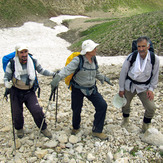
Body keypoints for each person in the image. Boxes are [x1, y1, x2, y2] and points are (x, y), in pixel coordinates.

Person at [51, 39, 113, 140]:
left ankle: (97, 131)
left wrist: (104, 78)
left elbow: (96, 72)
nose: (96, 49)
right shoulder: (77, 60)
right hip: (78, 89)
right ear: (88, 51)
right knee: (76, 109)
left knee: (102, 105)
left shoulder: (94, 59)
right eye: (94, 48)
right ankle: (76, 128)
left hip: (92, 88)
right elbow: (66, 70)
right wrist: (57, 78)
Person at [4, 43, 55, 139]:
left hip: (29, 91)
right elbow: (6, 77)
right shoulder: (12, 63)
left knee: (36, 110)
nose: (24, 54)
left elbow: (41, 70)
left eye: (25, 52)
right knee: (16, 113)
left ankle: (43, 128)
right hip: (15, 91)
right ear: (17, 53)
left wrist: (53, 74)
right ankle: (19, 128)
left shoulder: (33, 61)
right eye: (21, 52)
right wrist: (7, 83)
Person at [119, 36, 160, 133]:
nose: (141, 49)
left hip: (144, 87)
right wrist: (121, 88)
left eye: (143, 46)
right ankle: (125, 120)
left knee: (151, 108)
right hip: (130, 85)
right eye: (139, 46)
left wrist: (151, 89)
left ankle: (146, 124)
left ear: (148, 46)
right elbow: (123, 72)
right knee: (125, 104)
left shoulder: (155, 59)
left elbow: (155, 76)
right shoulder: (131, 57)